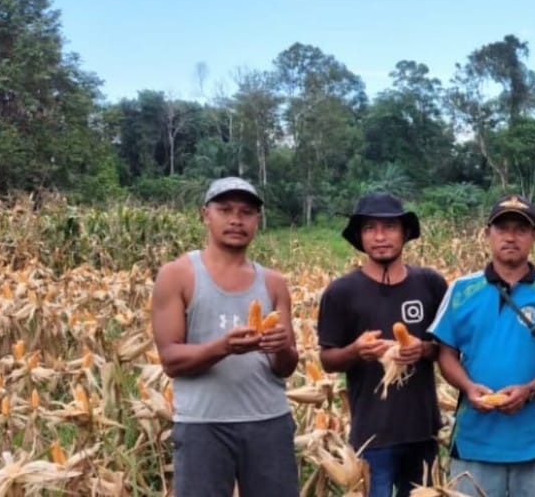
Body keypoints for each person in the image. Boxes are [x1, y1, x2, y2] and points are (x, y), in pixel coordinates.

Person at [151, 177, 300, 497]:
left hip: (269, 421)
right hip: (203, 425)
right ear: (205, 215)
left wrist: (282, 348)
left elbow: (286, 367)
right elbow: (170, 360)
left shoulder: (273, 283)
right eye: (225, 210)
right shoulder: (177, 275)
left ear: (257, 220)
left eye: (246, 212)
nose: (236, 220)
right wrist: (224, 347)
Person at [429, 194, 535, 497]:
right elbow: (446, 353)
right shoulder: (461, 290)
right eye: (502, 229)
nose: (511, 237)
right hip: (473, 442)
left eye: (520, 229)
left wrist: (530, 390)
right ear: (488, 233)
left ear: (534, 236)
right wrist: (468, 387)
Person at [317, 193, 446, 497]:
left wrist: (423, 349)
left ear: (405, 232)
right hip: (372, 436)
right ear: (360, 237)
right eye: (370, 228)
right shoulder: (341, 292)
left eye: (389, 227)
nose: (380, 237)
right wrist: (355, 351)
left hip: (423, 431)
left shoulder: (430, 284)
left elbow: (446, 348)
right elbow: (328, 359)